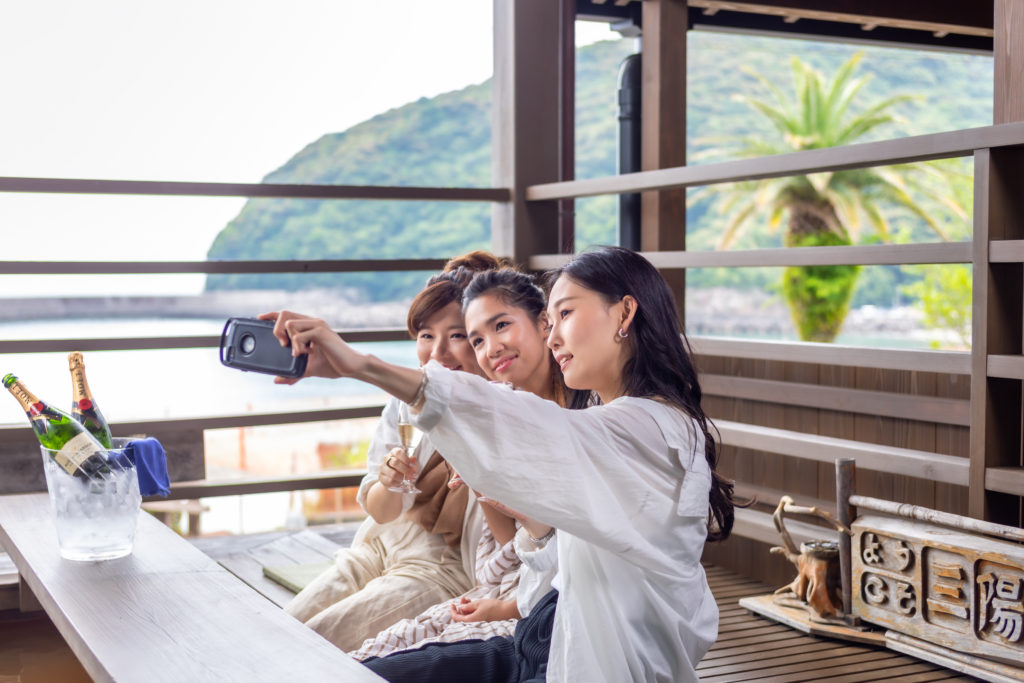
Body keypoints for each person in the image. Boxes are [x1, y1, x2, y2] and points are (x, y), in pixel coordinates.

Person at [266, 246, 736, 682]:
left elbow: (526, 424)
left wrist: (359, 365)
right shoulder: (614, 419)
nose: (553, 337)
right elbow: (563, 564)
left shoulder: (648, 430)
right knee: (360, 667)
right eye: (550, 320)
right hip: (542, 634)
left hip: (570, 657)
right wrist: (526, 542)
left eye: (565, 313)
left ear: (625, 313)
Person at [281, 252, 505, 651]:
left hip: (441, 571)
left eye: (456, 335)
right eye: (425, 335)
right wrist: (390, 481)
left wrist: (353, 364)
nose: (438, 353)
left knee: (313, 644)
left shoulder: (504, 405)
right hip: (380, 544)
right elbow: (382, 511)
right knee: (281, 628)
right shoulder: (404, 404)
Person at [350, 269, 566, 661]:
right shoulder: (495, 405)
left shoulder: (552, 410)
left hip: (499, 586)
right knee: (341, 640)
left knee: (376, 659)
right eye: (480, 338)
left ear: (543, 323)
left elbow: (553, 548)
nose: (438, 353)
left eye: (458, 336)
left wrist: (507, 606)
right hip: (394, 543)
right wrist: (482, 483)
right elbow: (506, 545)